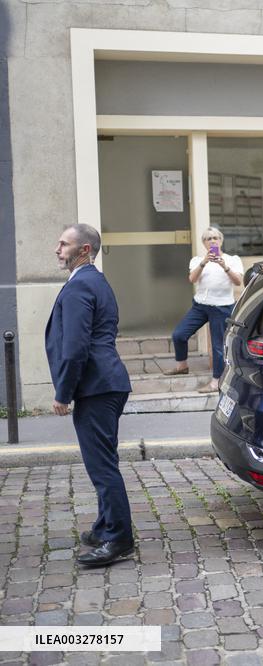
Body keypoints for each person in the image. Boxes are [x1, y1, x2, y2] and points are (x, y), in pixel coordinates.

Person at [46, 224, 135, 567]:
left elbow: (75, 347)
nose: (57, 249)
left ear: (84, 250)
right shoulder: (93, 281)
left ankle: (119, 539)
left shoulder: (81, 285)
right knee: (104, 462)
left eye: (64, 244)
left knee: (102, 468)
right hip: (106, 383)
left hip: (97, 387)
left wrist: (63, 393)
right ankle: (104, 526)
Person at [164, 227, 243, 393]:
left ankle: (216, 382)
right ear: (204, 243)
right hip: (200, 306)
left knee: (217, 346)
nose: (212, 241)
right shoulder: (197, 260)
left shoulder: (232, 259)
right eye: (208, 239)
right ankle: (182, 366)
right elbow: (192, 279)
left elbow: (238, 282)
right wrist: (204, 262)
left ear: (221, 241)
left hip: (222, 307)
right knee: (179, 334)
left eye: (215, 238)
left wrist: (224, 266)